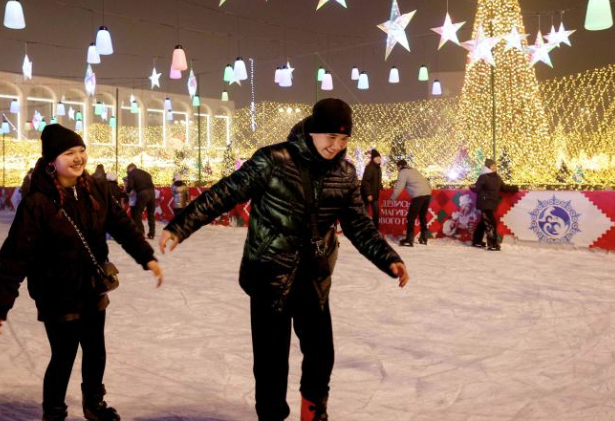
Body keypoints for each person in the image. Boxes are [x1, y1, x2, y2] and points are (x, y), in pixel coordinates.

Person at [160, 98, 409, 421]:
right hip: (269, 275)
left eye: (344, 140)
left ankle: (313, 413)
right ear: (313, 132)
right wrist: (181, 225)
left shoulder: (345, 174)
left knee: (321, 355)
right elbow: (226, 193)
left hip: (314, 277)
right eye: (330, 138)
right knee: (271, 362)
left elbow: (358, 225)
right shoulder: (273, 160)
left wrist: (387, 257)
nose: (336, 146)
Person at [0, 124, 163, 421]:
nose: (78, 158)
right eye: (69, 153)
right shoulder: (37, 202)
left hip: (92, 286)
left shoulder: (95, 189)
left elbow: (120, 225)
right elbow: (15, 256)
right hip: (56, 292)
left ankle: (94, 403)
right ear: (52, 161)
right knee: (64, 354)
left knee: (96, 349)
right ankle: (54, 412)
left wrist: (146, 257)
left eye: (81, 150)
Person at [471, 158, 519, 251]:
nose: (495, 167)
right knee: (491, 224)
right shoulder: (483, 177)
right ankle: (492, 244)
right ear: (488, 167)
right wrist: (472, 187)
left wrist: (515, 188)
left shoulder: (497, 177)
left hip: (491, 203)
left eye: (495, 166)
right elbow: (477, 188)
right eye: (492, 166)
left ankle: (476, 241)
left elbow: (504, 188)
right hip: (485, 204)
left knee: (483, 223)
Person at [391, 159, 432, 246]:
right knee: (422, 216)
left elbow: (399, 187)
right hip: (427, 194)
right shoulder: (414, 170)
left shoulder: (403, 172)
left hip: (419, 196)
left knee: (411, 217)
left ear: (400, 166)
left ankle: (409, 239)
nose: (397, 169)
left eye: (397, 167)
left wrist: (392, 198)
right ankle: (424, 237)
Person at [125, 163, 156, 239]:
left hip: (142, 193)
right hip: (152, 192)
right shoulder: (146, 173)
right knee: (151, 213)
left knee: (137, 213)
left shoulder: (131, 173)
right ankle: (151, 233)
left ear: (130, 169)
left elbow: (130, 186)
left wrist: (127, 192)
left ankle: (140, 232)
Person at [360, 149, 383, 229]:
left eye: (379, 158)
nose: (378, 160)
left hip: (375, 195)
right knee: (365, 212)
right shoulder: (370, 167)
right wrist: (368, 194)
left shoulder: (378, 168)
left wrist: (380, 186)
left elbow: (377, 180)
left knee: (376, 213)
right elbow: (366, 181)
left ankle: (375, 228)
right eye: (376, 158)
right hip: (367, 195)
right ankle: (364, 228)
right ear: (373, 159)